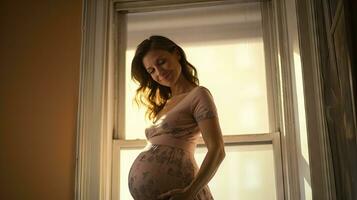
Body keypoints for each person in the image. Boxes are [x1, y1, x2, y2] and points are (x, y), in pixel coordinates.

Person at [128, 35, 225, 200]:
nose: (159, 72)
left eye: (161, 62)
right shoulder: (165, 104)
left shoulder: (198, 94)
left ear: (176, 54)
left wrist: (189, 193)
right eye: (151, 70)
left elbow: (218, 150)